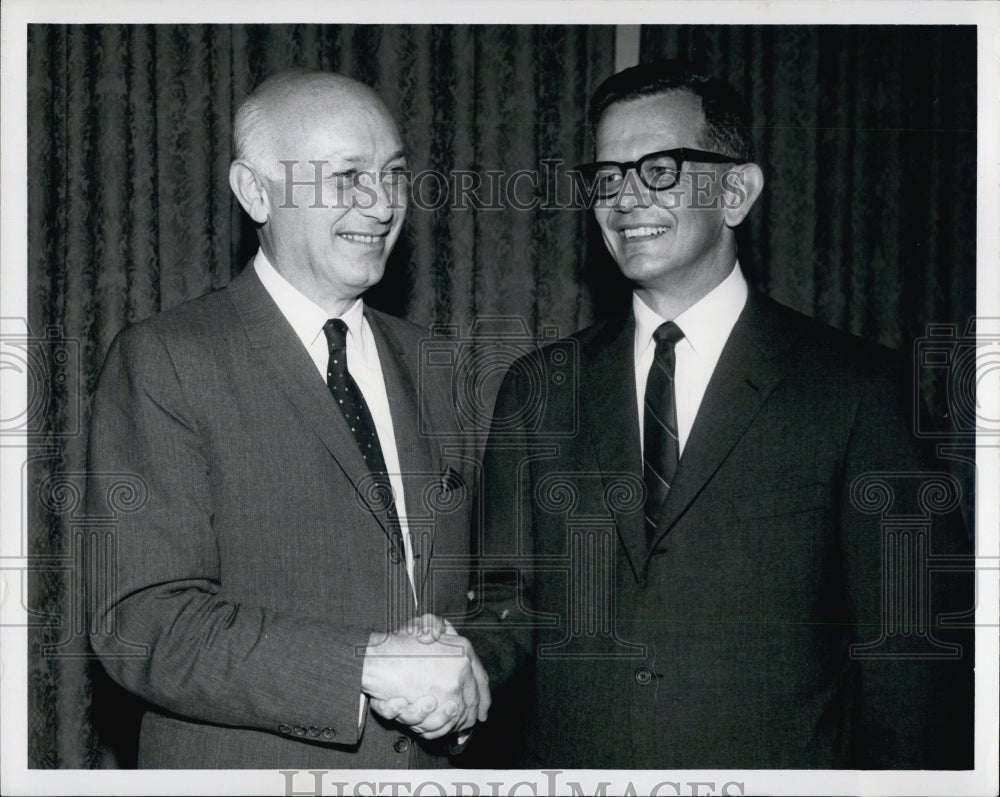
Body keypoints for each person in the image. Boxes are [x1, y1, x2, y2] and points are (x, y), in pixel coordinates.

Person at [465, 59, 973, 769]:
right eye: (607, 177)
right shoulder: (538, 388)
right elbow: (505, 602)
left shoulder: (862, 388)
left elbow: (913, 664)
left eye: (661, 169)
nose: (625, 198)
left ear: (736, 190)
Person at [87, 68, 489, 769]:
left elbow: (489, 597)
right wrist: (364, 665)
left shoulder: (442, 365)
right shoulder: (167, 359)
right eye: (346, 177)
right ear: (255, 191)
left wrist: (467, 686)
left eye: (393, 175)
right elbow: (142, 622)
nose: (381, 203)